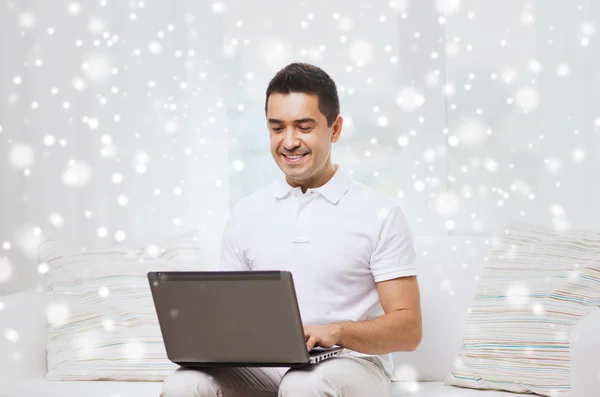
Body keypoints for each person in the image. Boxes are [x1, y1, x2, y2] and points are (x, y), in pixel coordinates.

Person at [161, 62, 422, 397]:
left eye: (304, 126)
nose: (289, 142)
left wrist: (336, 331)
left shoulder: (380, 214)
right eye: (277, 128)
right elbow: (230, 316)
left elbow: (408, 329)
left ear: (335, 128)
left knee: (303, 384)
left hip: (352, 363)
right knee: (184, 383)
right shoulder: (246, 213)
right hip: (266, 367)